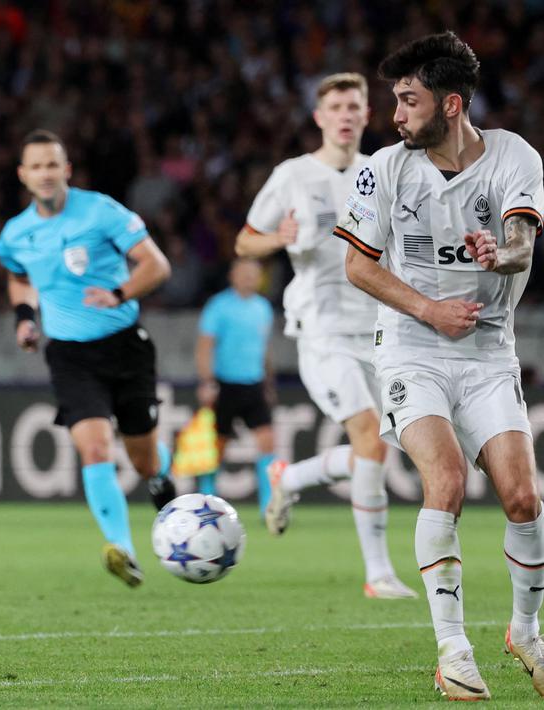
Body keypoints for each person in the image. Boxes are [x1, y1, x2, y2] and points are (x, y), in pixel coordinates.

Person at [337, 32, 543, 700]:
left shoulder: (513, 155)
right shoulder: (383, 168)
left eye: (407, 100)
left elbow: (520, 243)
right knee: (446, 480)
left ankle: (524, 632)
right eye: (394, 99)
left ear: (449, 104)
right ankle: (452, 649)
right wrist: (426, 310)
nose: (395, 114)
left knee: (522, 497)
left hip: (487, 354)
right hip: (411, 347)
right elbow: (357, 265)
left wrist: (498, 254)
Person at [235, 72, 416, 600]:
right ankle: (378, 574)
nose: (344, 114)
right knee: (367, 433)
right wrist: (277, 238)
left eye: (353, 105)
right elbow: (245, 243)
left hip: (381, 330)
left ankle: (289, 479)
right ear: (319, 117)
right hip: (322, 330)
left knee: (378, 448)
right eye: (335, 105)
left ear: (366, 115)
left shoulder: (383, 170)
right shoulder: (292, 175)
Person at [0, 129, 175, 590]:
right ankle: (124, 550)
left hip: (125, 346)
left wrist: (119, 293)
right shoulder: (15, 234)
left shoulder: (101, 211)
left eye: (53, 164)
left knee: (143, 461)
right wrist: (24, 318)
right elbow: (19, 277)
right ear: (23, 175)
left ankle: (161, 478)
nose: (45, 174)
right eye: (36, 166)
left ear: (67, 170)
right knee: (94, 447)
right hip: (70, 355)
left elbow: (156, 265)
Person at [193, 258, 275, 506]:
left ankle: (269, 504)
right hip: (225, 384)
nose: (250, 278)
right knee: (217, 446)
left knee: (267, 442)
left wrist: (268, 383)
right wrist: (207, 381)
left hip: (253, 383)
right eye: (245, 273)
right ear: (233, 276)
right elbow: (205, 347)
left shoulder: (263, 308)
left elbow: (265, 349)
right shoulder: (218, 306)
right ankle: (206, 499)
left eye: (254, 274)